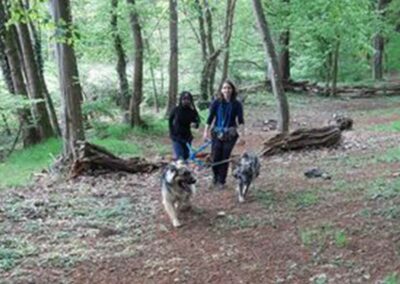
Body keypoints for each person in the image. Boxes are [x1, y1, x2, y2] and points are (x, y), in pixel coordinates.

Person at [203, 80, 245, 189]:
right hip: (217, 132)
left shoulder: (237, 104)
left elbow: (240, 120)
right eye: (224, 88)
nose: (227, 90)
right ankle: (215, 178)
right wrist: (205, 132)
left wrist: (242, 135)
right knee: (216, 155)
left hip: (230, 133)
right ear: (221, 90)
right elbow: (210, 118)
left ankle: (222, 181)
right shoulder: (216, 103)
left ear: (232, 90)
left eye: (229, 88)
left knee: (225, 156)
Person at [169, 91, 201, 161]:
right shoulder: (176, 110)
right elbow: (170, 121)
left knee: (186, 157)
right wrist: (171, 133)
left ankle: (184, 171)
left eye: (188, 99)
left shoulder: (192, 111)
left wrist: (195, 124)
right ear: (181, 100)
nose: (186, 101)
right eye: (184, 99)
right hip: (177, 137)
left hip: (187, 137)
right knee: (180, 158)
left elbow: (197, 122)